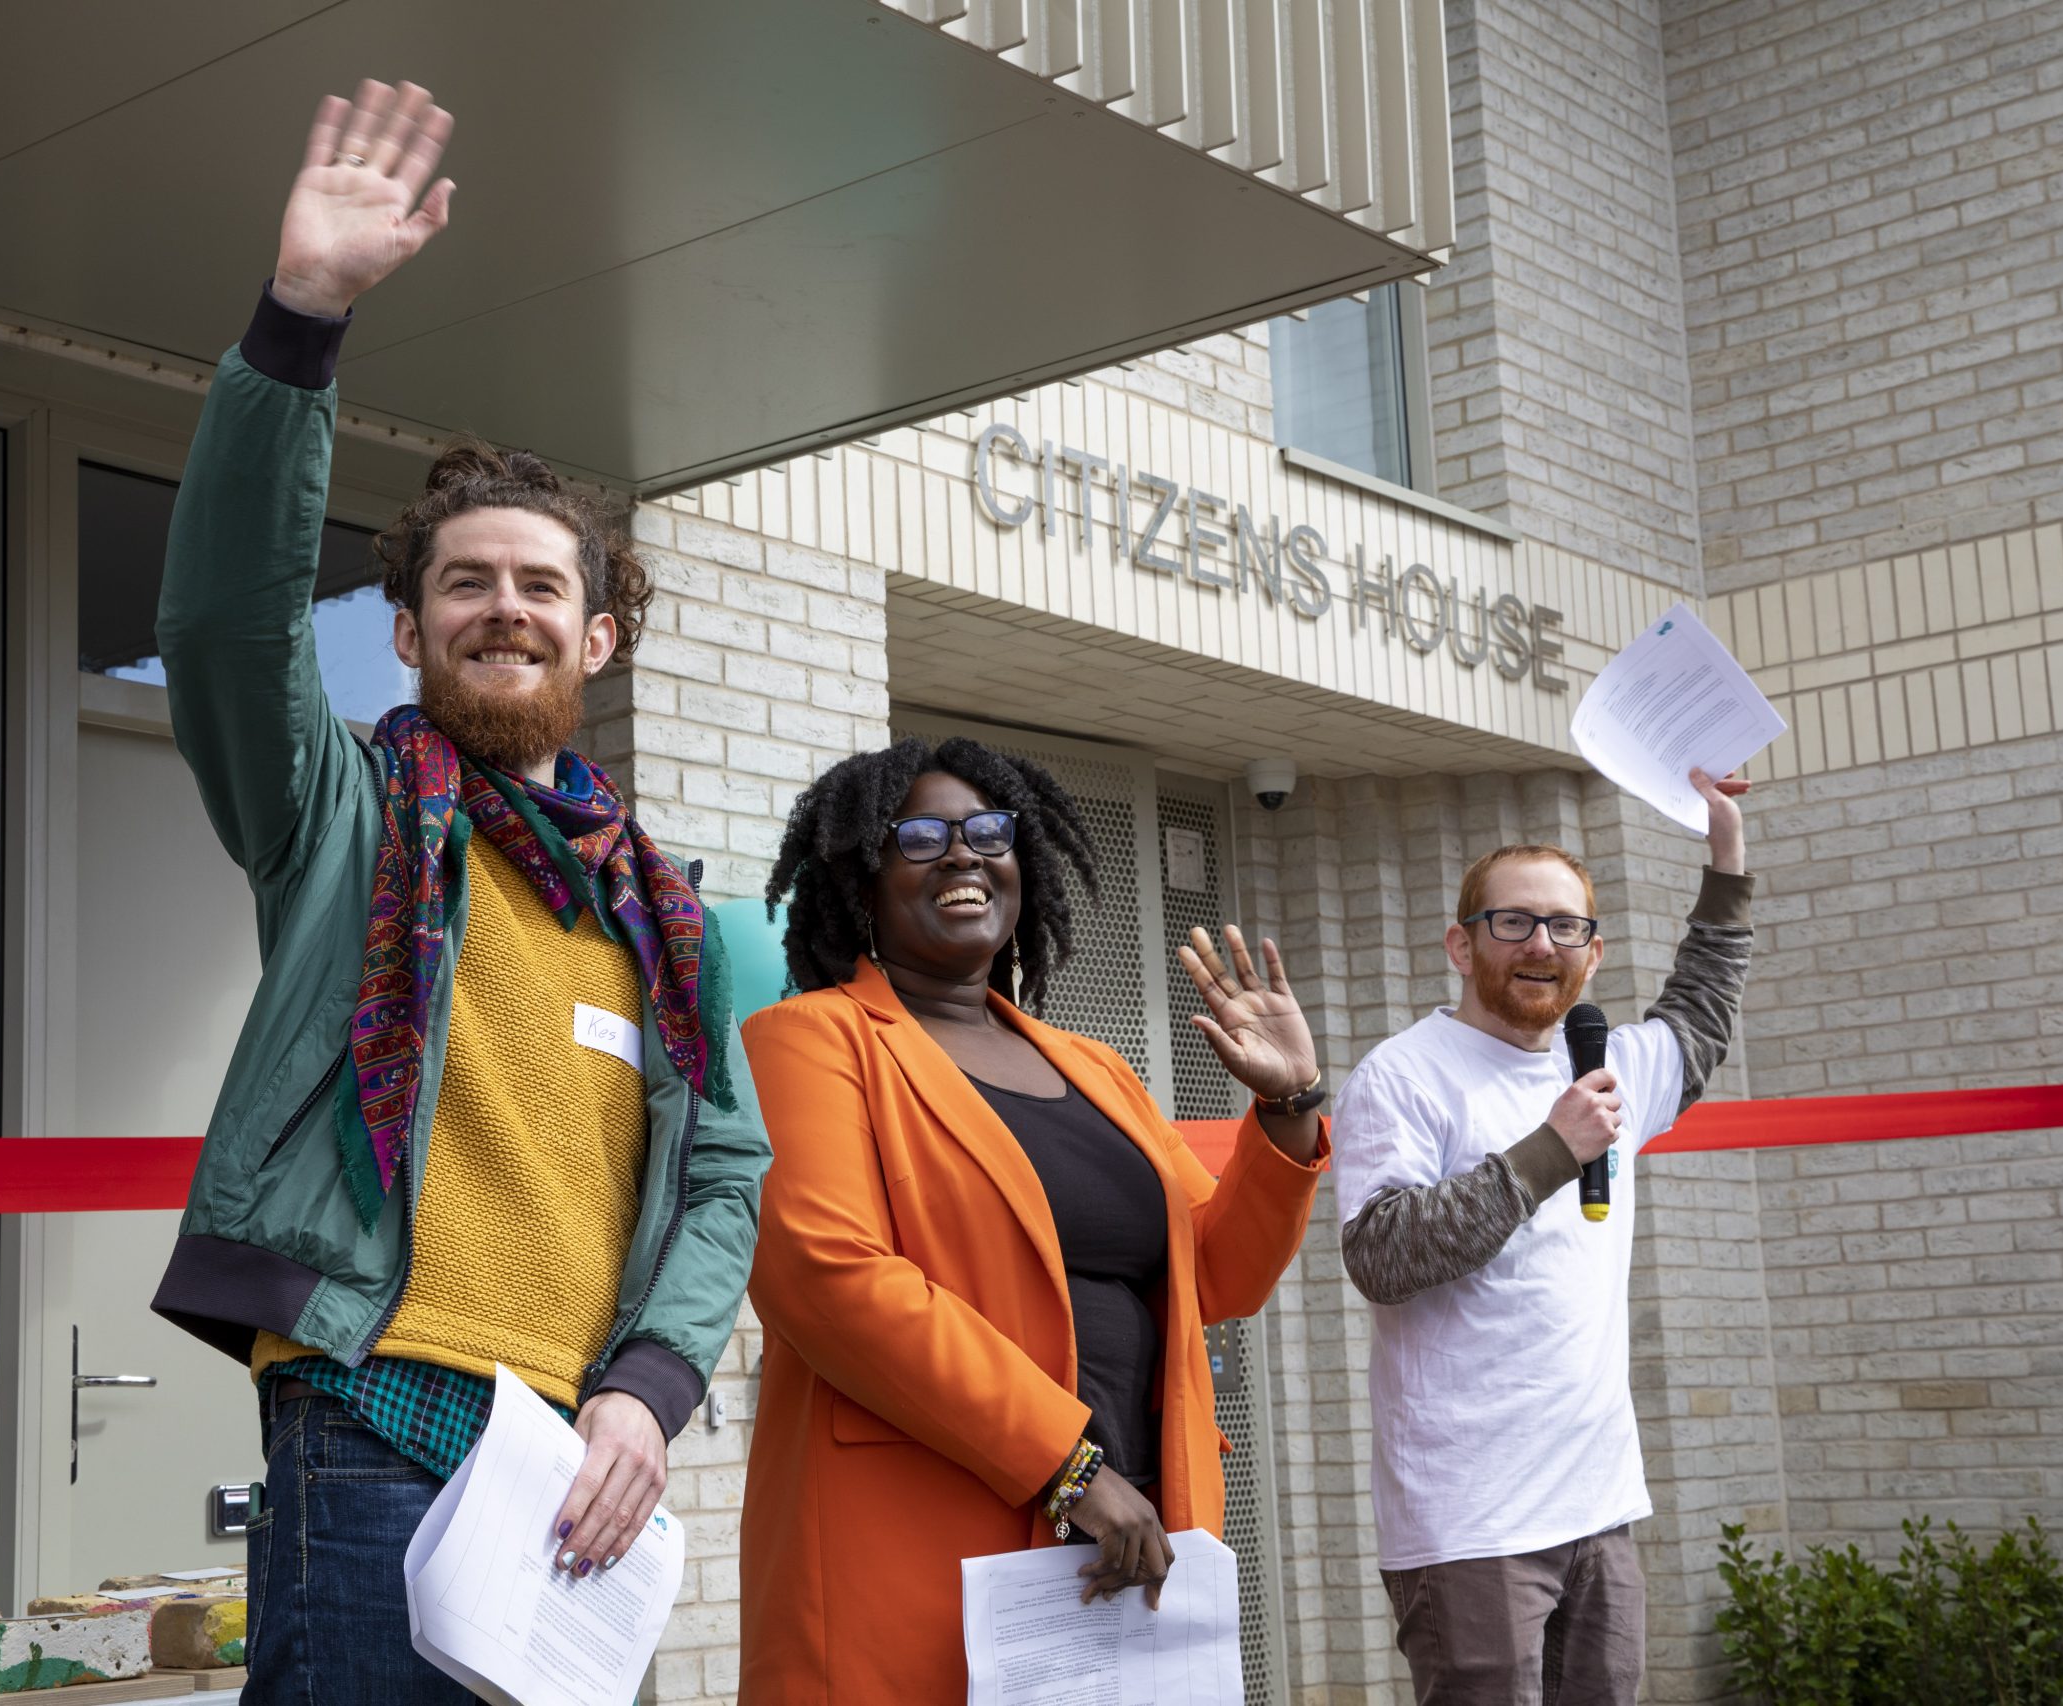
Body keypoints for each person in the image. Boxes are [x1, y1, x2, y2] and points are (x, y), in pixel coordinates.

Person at [143, 81, 769, 1704]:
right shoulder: (338, 814)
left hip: (575, 1465)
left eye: (541, 586)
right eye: (466, 583)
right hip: (370, 1420)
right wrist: (301, 323)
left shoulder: (673, 916)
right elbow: (224, 627)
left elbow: (723, 1179)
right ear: (408, 632)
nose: (507, 608)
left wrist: (649, 1388)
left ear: (599, 637)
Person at [735, 736, 1328, 1699]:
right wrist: (1067, 1465)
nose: (963, 853)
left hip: (1132, 1532)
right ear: (863, 877)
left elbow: (1216, 1276)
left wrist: (1289, 1107)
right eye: (920, 835)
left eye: (987, 831)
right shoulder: (810, 1040)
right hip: (929, 1536)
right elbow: (832, 1279)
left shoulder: (1096, 1070)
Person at [1330, 768, 1755, 1705]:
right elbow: (1382, 1255)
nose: (1540, 944)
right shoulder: (1403, 1077)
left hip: (1598, 1508)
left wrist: (1725, 852)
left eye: (1567, 927)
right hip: (1470, 1524)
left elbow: (1704, 1005)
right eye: (1512, 922)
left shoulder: (1610, 1066)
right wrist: (1551, 1152)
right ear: (1461, 942)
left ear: (1593, 956)